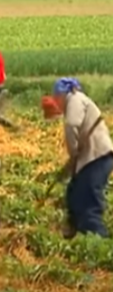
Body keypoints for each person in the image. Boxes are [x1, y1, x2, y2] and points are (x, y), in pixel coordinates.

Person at [42, 77, 113, 239]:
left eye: (56, 99)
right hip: (91, 157)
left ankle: (98, 241)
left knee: (89, 201)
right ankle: (75, 232)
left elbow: (72, 125)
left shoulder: (74, 100)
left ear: (60, 95)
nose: (57, 104)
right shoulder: (75, 101)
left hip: (97, 157)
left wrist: (72, 152)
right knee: (74, 192)